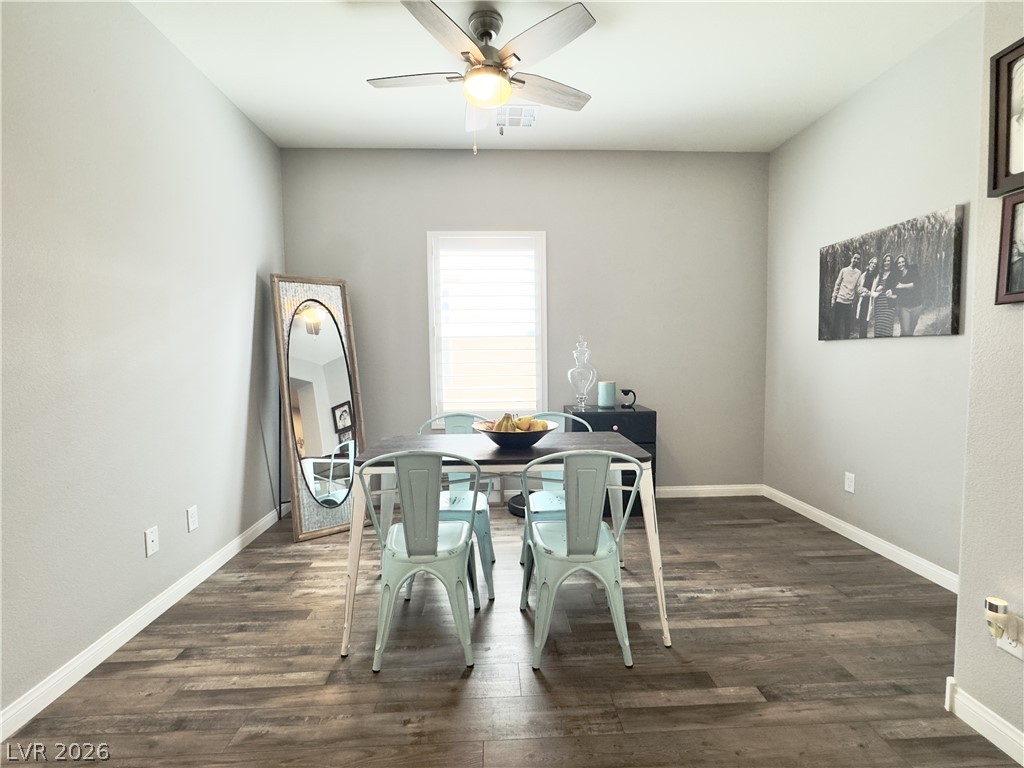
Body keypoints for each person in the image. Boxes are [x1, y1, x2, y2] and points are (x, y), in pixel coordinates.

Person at [830, 252, 862, 340]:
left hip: (849, 303)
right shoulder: (843, 270)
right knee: (836, 324)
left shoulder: (858, 273)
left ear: (859, 261)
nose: (856, 260)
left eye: (858, 259)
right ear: (851, 258)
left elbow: (858, 288)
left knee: (847, 326)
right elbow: (837, 285)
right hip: (839, 301)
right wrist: (833, 299)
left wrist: (865, 292)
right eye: (855, 258)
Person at [892, 254, 923, 336]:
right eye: (899, 263)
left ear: (905, 262)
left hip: (916, 305)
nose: (901, 264)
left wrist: (903, 286)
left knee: (911, 331)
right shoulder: (897, 275)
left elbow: (917, 284)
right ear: (897, 264)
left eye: (902, 262)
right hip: (904, 307)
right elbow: (896, 290)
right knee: (905, 331)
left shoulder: (912, 271)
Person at [854, 256, 879, 338]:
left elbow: (877, 291)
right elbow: (858, 287)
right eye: (872, 263)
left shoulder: (877, 276)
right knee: (862, 324)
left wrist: (868, 293)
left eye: (875, 264)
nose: (873, 265)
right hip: (862, 301)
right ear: (869, 264)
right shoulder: (863, 275)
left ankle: (863, 339)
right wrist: (861, 292)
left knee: (865, 324)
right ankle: (862, 339)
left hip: (870, 302)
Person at [873, 254, 896, 338]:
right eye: (885, 261)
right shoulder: (880, 274)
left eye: (888, 261)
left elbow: (897, 289)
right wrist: (876, 290)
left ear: (891, 263)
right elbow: (873, 289)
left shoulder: (894, 274)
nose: (886, 263)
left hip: (889, 305)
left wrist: (892, 292)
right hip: (879, 306)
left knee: (887, 328)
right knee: (878, 329)